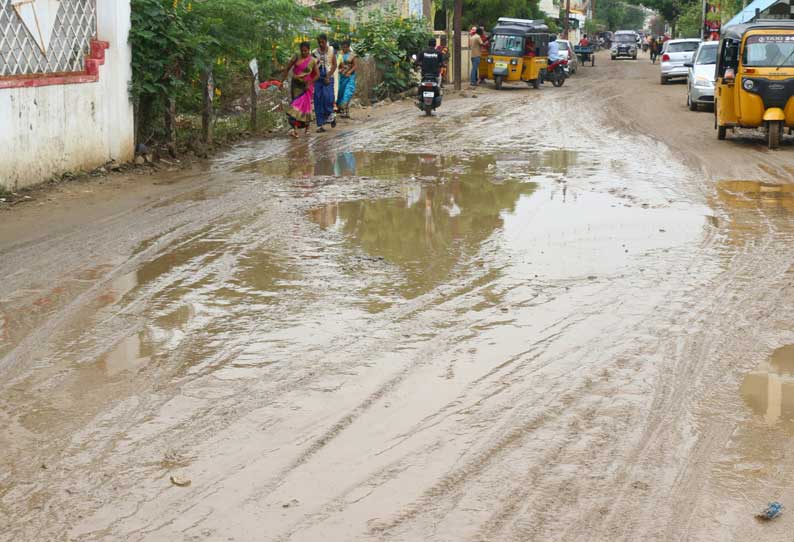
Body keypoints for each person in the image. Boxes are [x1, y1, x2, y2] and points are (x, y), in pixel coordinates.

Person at [284, 42, 319, 138]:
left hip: (306, 87)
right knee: (294, 108)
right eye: (302, 51)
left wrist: (309, 82)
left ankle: (307, 128)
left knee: (305, 107)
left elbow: (317, 75)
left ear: (309, 50)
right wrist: (281, 81)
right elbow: (287, 68)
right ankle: (294, 129)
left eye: (306, 51)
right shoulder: (295, 57)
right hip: (296, 85)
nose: (304, 52)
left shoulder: (312, 61)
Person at [312, 34, 337, 133]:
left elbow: (334, 65)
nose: (321, 44)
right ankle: (320, 125)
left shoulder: (331, 50)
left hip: (328, 76)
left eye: (323, 42)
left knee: (327, 98)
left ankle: (331, 115)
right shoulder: (314, 52)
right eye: (319, 42)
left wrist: (328, 76)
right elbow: (311, 66)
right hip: (318, 77)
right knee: (318, 99)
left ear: (326, 41)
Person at [336, 40, 357, 119]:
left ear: (348, 47)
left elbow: (355, 66)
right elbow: (338, 65)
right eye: (343, 47)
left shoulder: (352, 55)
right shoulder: (339, 55)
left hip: (350, 76)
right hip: (342, 77)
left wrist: (350, 72)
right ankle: (344, 111)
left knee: (347, 93)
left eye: (346, 47)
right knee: (341, 94)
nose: (344, 48)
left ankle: (345, 110)